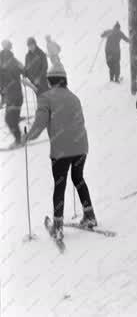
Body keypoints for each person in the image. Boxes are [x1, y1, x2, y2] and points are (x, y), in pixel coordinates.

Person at [23, 65, 97, 239]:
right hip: (81, 147)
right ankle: (90, 215)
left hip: (61, 150)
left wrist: (27, 137)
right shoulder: (75, 98)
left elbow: (40, 123)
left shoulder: (45, 98)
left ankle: (58, 226)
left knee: (60, 183)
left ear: (50, 81)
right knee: (78, 179)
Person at [0, 40, 24, 147]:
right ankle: (19, 138)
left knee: (10, 119)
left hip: (14, 94)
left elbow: (24, 70)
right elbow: (24, 70)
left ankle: (18, 140)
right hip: (13, 94)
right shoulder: (13, 60)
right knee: (11, 119)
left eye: (7, 46)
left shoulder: (12, 61)